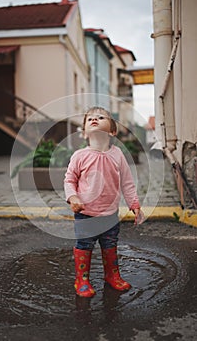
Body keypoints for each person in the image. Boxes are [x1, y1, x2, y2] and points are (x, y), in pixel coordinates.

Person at [64, 107, 144, 298]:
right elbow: (69, 180)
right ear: (84, 132)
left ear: (112, 131)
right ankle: (82, 279)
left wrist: (135, 205)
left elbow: (127, 182)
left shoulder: (117, 155)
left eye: (101, 117)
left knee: (110, 245)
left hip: (110, 215)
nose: (94, 119)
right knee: (84, 245)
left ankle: (112, 275)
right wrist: (73, 197)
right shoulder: (80, 156)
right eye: (90, 118)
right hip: (85, 214)